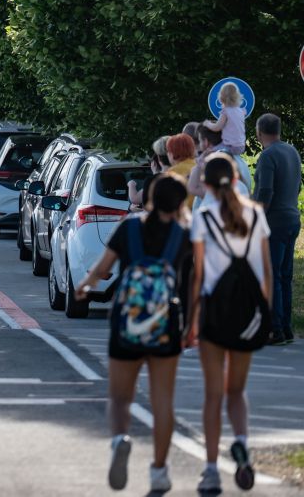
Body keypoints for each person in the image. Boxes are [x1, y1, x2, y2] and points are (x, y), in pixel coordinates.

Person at [75, 173, 192, 493]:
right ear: (179, 204)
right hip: (166, 324)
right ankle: (159, 471)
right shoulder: (183, 236)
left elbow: (103, 268)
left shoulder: (129, 228)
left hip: (127, 321)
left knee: (120, 396)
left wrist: (84, 286)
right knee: (162, 401)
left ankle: (119, 439)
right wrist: (191, 324)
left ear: (149, 198)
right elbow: (193, 284)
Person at [187, 155, 273, 492]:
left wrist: (191, 321)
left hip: (214, 313)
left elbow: (198, 275)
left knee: (213, 394)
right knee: (236, 390)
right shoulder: (255, 215)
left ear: (206, 185)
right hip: (247, 313)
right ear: (236, 179)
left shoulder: (203, 218)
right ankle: (242, 444)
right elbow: (266, 272)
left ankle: (210, 471)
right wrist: (263, 313)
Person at [253, 113, 301, 345]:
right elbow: (297, 185)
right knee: (285, 276)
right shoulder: (292, 151)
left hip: (273, 222)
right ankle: (287, 328)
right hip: (292, 218)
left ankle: (276, 329)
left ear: (259, 132)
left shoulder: (267, 155)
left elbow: (265, 191)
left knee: (271, 275)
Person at [189, 123, 252, 197]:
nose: (199, 146)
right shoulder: (238, 158)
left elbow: (193, 188)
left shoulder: (214, 162)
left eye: (200, 141)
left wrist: (199, 163)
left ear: (205, 142)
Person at [202, 82, 247, 156]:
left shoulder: (226, 111)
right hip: (241, 146)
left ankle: (199, 162)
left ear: (221, 97)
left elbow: (217, 127)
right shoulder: (241, 110)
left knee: (208, 153)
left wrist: (207, 124)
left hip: (230, 146)